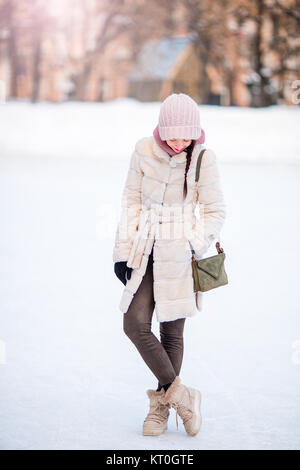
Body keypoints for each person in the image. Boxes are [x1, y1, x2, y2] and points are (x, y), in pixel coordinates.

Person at [113, 93, 226, 436]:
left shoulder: (204, 158)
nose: (179, 143)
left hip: (179, 251)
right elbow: (131, 202)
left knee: (172, 332)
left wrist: (193, 240)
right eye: (172, 136)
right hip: (145, 247)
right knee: (134, 323)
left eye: (185, 136)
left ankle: (160, 407)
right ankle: (182, 395)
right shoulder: (143, 150)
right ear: (161, 131)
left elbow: (214, 211)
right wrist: (122, 254)